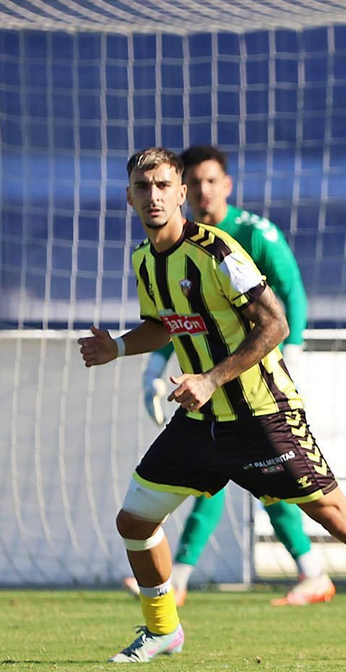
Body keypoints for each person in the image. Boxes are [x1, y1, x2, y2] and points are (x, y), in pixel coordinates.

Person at [80, 146, 346, 664]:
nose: (154, 196)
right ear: (129, 197)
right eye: (144, 187)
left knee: (337, 516)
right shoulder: (144, 259)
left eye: (164, 186)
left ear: (181, 192)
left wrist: (209, 378)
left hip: (262, 415)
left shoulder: (216, 250)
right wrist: (116, 347)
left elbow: (275, 323)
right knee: (135, 521)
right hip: (202, 424)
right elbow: (165, 322)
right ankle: (163, 629)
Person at [123, 144, 334, 607]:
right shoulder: (159, 251)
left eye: (209, 182)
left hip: (261, 382)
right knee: (217, 484)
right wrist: (149, 364)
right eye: (194, 183)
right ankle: (183, 582)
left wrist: (292, 348)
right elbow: (170, 319)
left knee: (314, 503)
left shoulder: (246, 235)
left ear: (226, 186)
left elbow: (289, 295)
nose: (201, 191)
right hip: (208, 390)